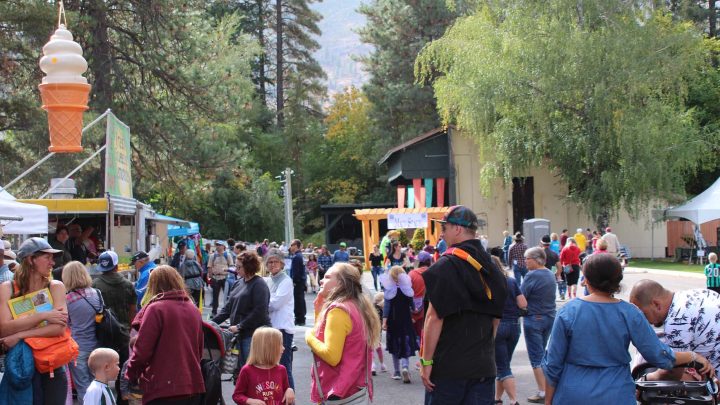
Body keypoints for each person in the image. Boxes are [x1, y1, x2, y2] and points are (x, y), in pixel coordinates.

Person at [543, 254, 714, 404]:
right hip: (616, 393)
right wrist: (692, 356)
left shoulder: (568, 312)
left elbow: (553, 363)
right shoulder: (630, 313)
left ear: (586, 280)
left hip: (573, 393)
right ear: (617, 282)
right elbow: (658, 355)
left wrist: (549, 399)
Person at [420, 205, 508, 404]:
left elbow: (434, 318)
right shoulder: (493, 268)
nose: (441, 233)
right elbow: (496, 318)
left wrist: (426, 362)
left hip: (449, 367)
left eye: (445, 228)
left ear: (457, 229)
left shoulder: (445, 266)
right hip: (483, 366)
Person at [0, 237, 68, 403]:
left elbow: (58, 328)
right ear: (31, 259)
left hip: (51, 365)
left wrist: (19, 335)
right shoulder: (7, 288)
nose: (53, 263)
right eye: (47, 257)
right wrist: (43, 316)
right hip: (21, 367)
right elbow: (3, 329)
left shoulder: (55, 286)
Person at [126, 265, 205, 404]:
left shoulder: (156, 309)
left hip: (163, 387)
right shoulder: (193, 308)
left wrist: (131, 374)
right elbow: (199, 348)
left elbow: (142, 350)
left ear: (153, 285)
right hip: (191, 384)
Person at [306, 263, 381, 403]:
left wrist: (308, 337)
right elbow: (323, 336)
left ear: (341, 283)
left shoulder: (339, 311)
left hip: (338, 392)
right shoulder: (355, 305)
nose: (321, 279)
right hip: (353, 389)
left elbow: (331, 355)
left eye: (327, 277)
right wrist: (319, 309)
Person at [629, 279, 720, 371]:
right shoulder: (701, 293)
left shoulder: (676, 320)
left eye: (644, 315)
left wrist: (646, 378)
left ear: (656, 304)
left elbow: (675, 370)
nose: (645, 321)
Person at [213, 251, 271, 369]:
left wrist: (240, 326)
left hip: (252, 335)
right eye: (236, 266)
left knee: (251, 369)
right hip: (239, 334)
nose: (236, 269)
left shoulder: (259, 284)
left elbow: (260, 311)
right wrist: (212, 323)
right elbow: (227, 309)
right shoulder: (238, 282)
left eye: (239, 267)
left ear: (249, 267)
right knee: (241, 371)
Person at [520, 247, 556, 403]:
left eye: (527, 259)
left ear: (535, 259)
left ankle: (543, 392)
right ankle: (548, 388)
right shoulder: (549, 273)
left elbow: (521, 296)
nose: (525, 262)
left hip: (534, 318)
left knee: (536, 357)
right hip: (549, 317)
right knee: (543, 355)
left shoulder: (532, 275)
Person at [63, 261, 102, 402]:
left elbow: (64, 324)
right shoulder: (97, 294)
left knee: (82, 387)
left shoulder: (67, 299)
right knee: (97, 385)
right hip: (97, 345)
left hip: (77, 348)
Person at [232, 327, 296, 405]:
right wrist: (249, 401)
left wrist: (290, 390)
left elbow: (286, 390)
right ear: (269, 348)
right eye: (280, 344)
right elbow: (237, 395)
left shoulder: (281, 370)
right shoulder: (247, 370)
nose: (283, 348)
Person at [494, 254, 527, 405]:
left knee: (502, 366)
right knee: (504, 364)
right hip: (514, 326)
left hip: (497, 326)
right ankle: (497, 399)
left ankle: (514, 401)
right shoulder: (511, 281)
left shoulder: (487, 284)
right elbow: (523, 304)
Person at [264, 249, 296, 389]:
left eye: (275, 262)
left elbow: (275, 303)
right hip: (271, 328)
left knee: (284, 368)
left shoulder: (286, 281)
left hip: (282, 328)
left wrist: (260, 304)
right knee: (272, 368)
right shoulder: (268, 280)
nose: (272, 264)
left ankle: (290, 399)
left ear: (282, 264)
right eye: (269, 262)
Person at [381, 266, 418, 383]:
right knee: (405, 342)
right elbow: (413, 306)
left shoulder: (389, 289)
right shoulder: (406, 289)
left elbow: (386, 307)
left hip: (393, 321)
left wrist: (384, 322)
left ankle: (397, 372)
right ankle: (405, 366)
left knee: (394, 344)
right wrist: (414, 309)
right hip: (406, 320)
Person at [409, 251, 431, 343]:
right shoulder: (435, 272)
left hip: (416, 311)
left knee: (418, 336)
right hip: (431, 310)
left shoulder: (412, 274)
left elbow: (407, 293)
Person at [208, 241, 233, 317]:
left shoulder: (227, 255)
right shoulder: (213, 256)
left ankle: (227, 312)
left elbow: (231, 266)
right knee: (215, 296)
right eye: (217, 245)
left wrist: (230, 276)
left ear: (223, 246)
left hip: (225, 277)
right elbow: (209, 266)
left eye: (219, 245)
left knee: (227, 296)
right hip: (216, 278)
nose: (218, 247)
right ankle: (214, 312)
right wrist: (211, 276)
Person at [119, 336, 142, 405]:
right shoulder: (129, 362)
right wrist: (124, 392)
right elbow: (123, 377)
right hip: (133, 395)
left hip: (147, 395)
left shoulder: (150, 361)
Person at [289, 239, 307, 326]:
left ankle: (299, 319)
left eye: (292, 245)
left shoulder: (297, 257)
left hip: (298, 281)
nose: (291, 247)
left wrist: (294, 281)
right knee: (301, 300)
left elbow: (296, 272)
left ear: (296, 245)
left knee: (298, 301)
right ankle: (302, 317)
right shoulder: (300, 255)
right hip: (302, 281)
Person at [372, 292, 388, 375]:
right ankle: (382, 364)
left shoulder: (370, 307)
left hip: (369, 329)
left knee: (370, 347)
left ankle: (372, 365)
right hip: (377, 331)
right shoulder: (381, 310)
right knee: (378, 347)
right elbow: (383, 321)